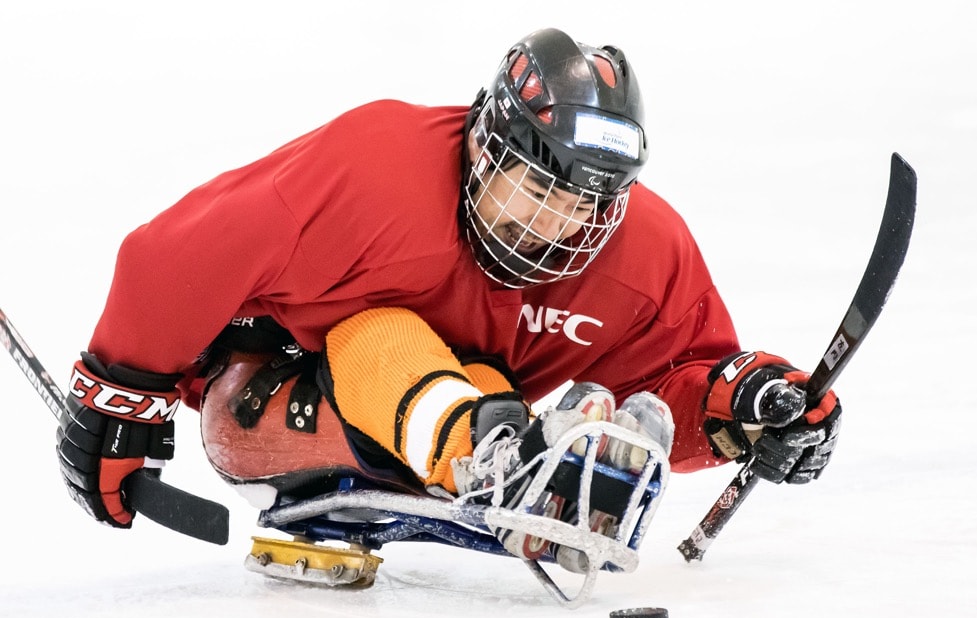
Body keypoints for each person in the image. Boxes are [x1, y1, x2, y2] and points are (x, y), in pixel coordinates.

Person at [56, 28, 840, 563]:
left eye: (587, 200)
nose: (556, 221)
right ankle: (501, 465)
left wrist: (739, 408)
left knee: (487, 383)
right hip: (269, 403)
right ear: (481, 141)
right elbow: (173, 255)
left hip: (461, 415)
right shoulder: (370, 170)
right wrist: (119, 394)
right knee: (386, 334)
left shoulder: (646, 250)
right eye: (535, 186)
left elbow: (683, 369)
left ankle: (511, 457)